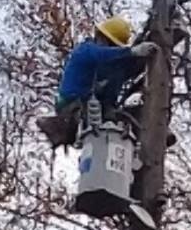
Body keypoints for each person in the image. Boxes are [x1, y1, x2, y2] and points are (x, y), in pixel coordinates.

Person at [36, 15, 158, 148]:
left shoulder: (108, 70)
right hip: (71, 105)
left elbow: (124, 70)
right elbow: (101, 54)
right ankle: (62, 126)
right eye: (110, 45)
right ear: (101, 37)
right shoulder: (85, 50)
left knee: (124, 116)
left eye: (115, 46)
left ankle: (150, 138)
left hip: (95, 107)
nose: (112, 49)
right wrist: (132, 51)